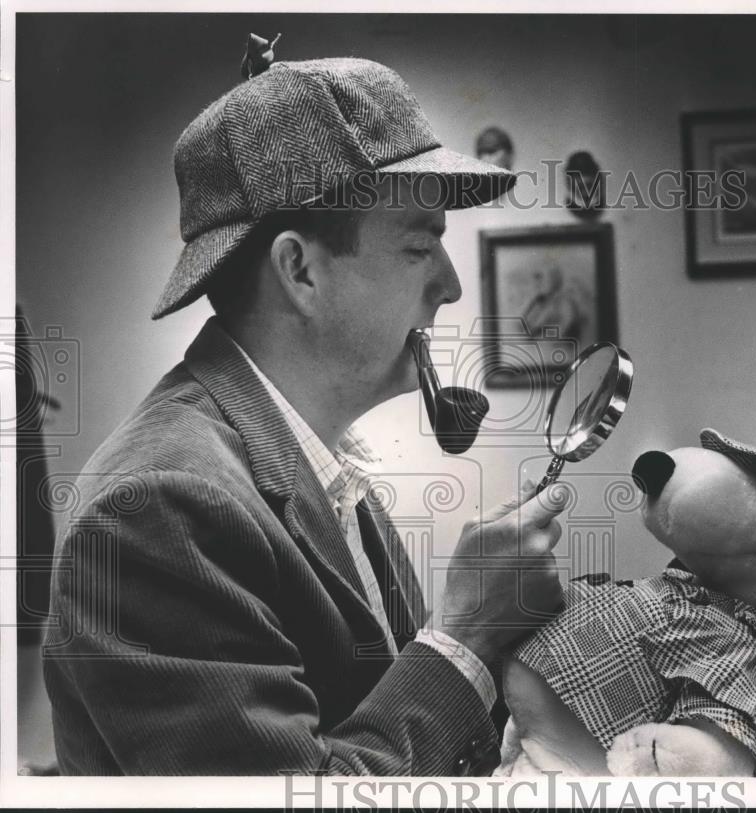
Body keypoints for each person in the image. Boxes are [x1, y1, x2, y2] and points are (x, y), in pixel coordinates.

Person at [43, 54, 567, 776]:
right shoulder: (157, 509)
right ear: (300, 271)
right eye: (420, 246)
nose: (447, 285)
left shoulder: (320, 460)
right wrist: (467, 632)